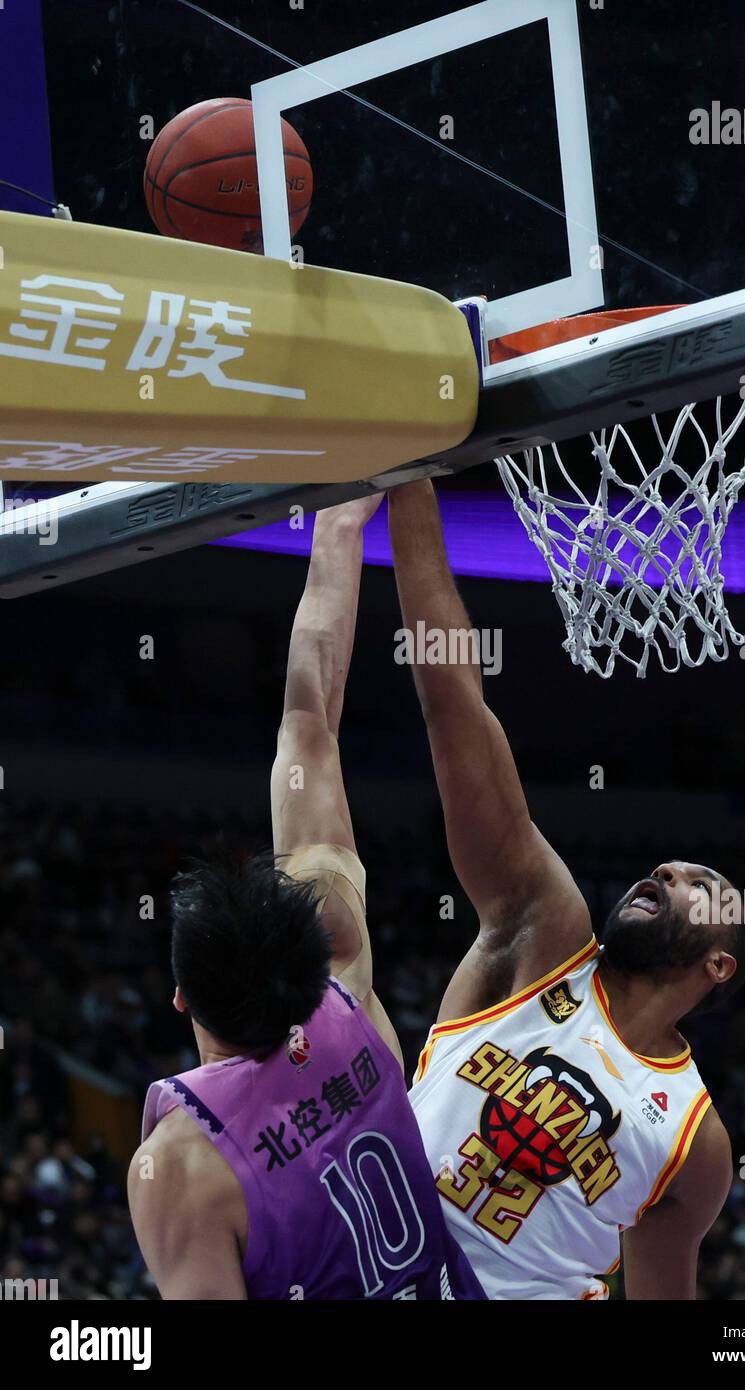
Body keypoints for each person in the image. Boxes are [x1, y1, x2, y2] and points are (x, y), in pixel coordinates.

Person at [389, 479, 745, 1301]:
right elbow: (453, 702)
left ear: (720, 963)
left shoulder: (695, 1140)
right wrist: (402, 482)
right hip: (382, 1272)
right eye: (668, 868)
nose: (667, 871)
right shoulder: (543, 931)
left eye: (701, 884)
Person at [128, 494, 483, 1301]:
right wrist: (341, 518)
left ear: (183, 997)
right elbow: (307, 716)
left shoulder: (182, 1166)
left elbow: (305, 717)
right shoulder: (343, 987)